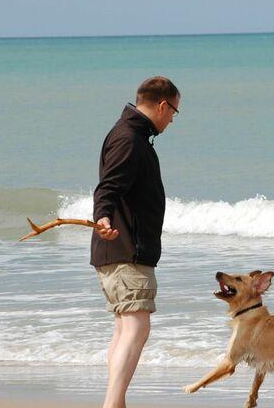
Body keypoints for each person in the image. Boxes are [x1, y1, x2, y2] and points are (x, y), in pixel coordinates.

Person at [90, 76, 180, 408]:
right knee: (137, 327)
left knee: (125, 328)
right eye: (173, 112)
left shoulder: (129, 134)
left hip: (119, 249)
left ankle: (116, 402)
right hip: (126, 250)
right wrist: (103, 216)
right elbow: (107, 188)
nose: (172, 120)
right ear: (162, 105)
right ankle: (113, 404)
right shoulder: (129, 138)